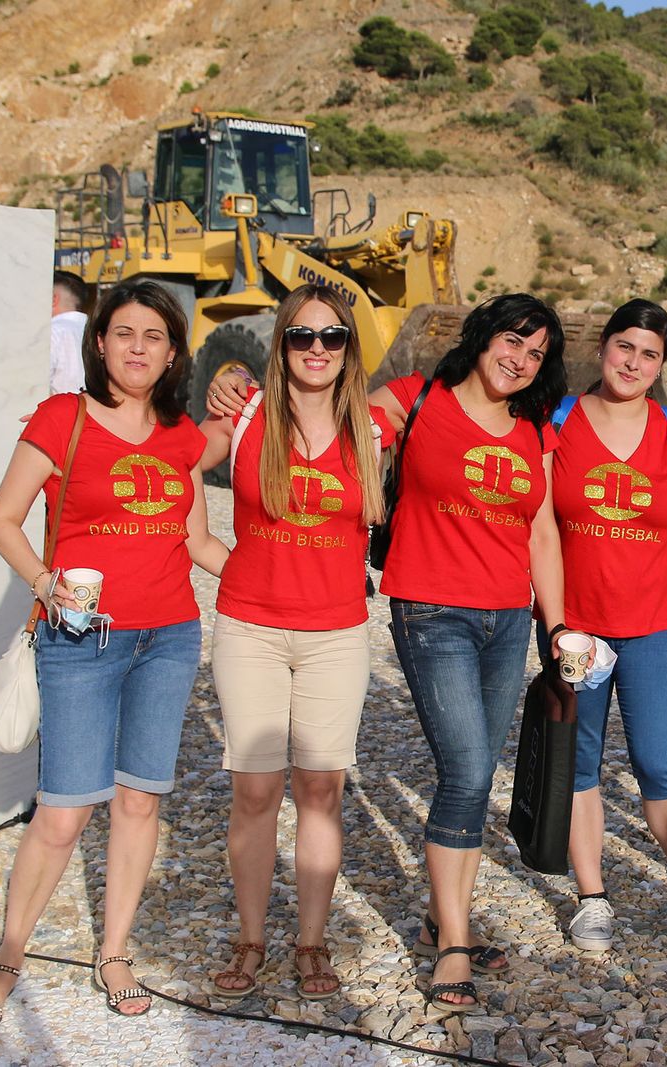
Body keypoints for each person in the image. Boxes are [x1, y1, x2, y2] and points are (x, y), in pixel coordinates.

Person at [0, 281, 227, 1029]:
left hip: (169, 638)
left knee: (140, 801)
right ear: (99, 342)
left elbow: (199, 542)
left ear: (173, 354)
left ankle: (113, 951)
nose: (137, 347)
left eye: (153, 337)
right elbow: (5, 518)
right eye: (123, 333)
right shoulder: (61, 418)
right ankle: (9, 954)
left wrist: (285, 579)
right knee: (64, 812)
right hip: (81, 640)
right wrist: (46, 583)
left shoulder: (180, 437)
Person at [370, 293, 571, 1015]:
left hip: (507, 620)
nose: (519, 359)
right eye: (512, 340)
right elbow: (328, 430)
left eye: (536, 352)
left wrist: (558, 626)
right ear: (483, 336)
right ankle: (453, 936)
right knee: (465, 768)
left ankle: (436, 914)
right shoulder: (413, 398)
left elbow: (542, 535)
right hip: (430, 609)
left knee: (477, 772)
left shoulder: (532, 431)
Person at [197, 286, 390, 1001]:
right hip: (251, 629)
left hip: (336, 634)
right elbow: (173, 451)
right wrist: (203, 545)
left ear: (348, 348)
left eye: (332, 336)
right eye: (301, 336)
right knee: (254, 790)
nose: (316, 348)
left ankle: (310, 940)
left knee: (320, 788)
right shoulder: (244, 414)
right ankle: (252, 936)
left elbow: (449, 390)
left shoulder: (371, 430)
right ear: (279, 344)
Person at [545, 300, 667, 957]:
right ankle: (592, 898)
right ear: (603, 347)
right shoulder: (560, 421)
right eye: (624, 346)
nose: (633, 362)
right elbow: (539, 525)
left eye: (649, 353)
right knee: (579, 760)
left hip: (653, 626)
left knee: (657, 760)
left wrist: (651, 584)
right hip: (577, 631)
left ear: (662, 364)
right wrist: (559, 615)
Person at [50, 271, 89, 395]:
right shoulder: (100, 330)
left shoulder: (52, 331)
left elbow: (35, 386)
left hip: (57, 411)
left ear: (53, 299)